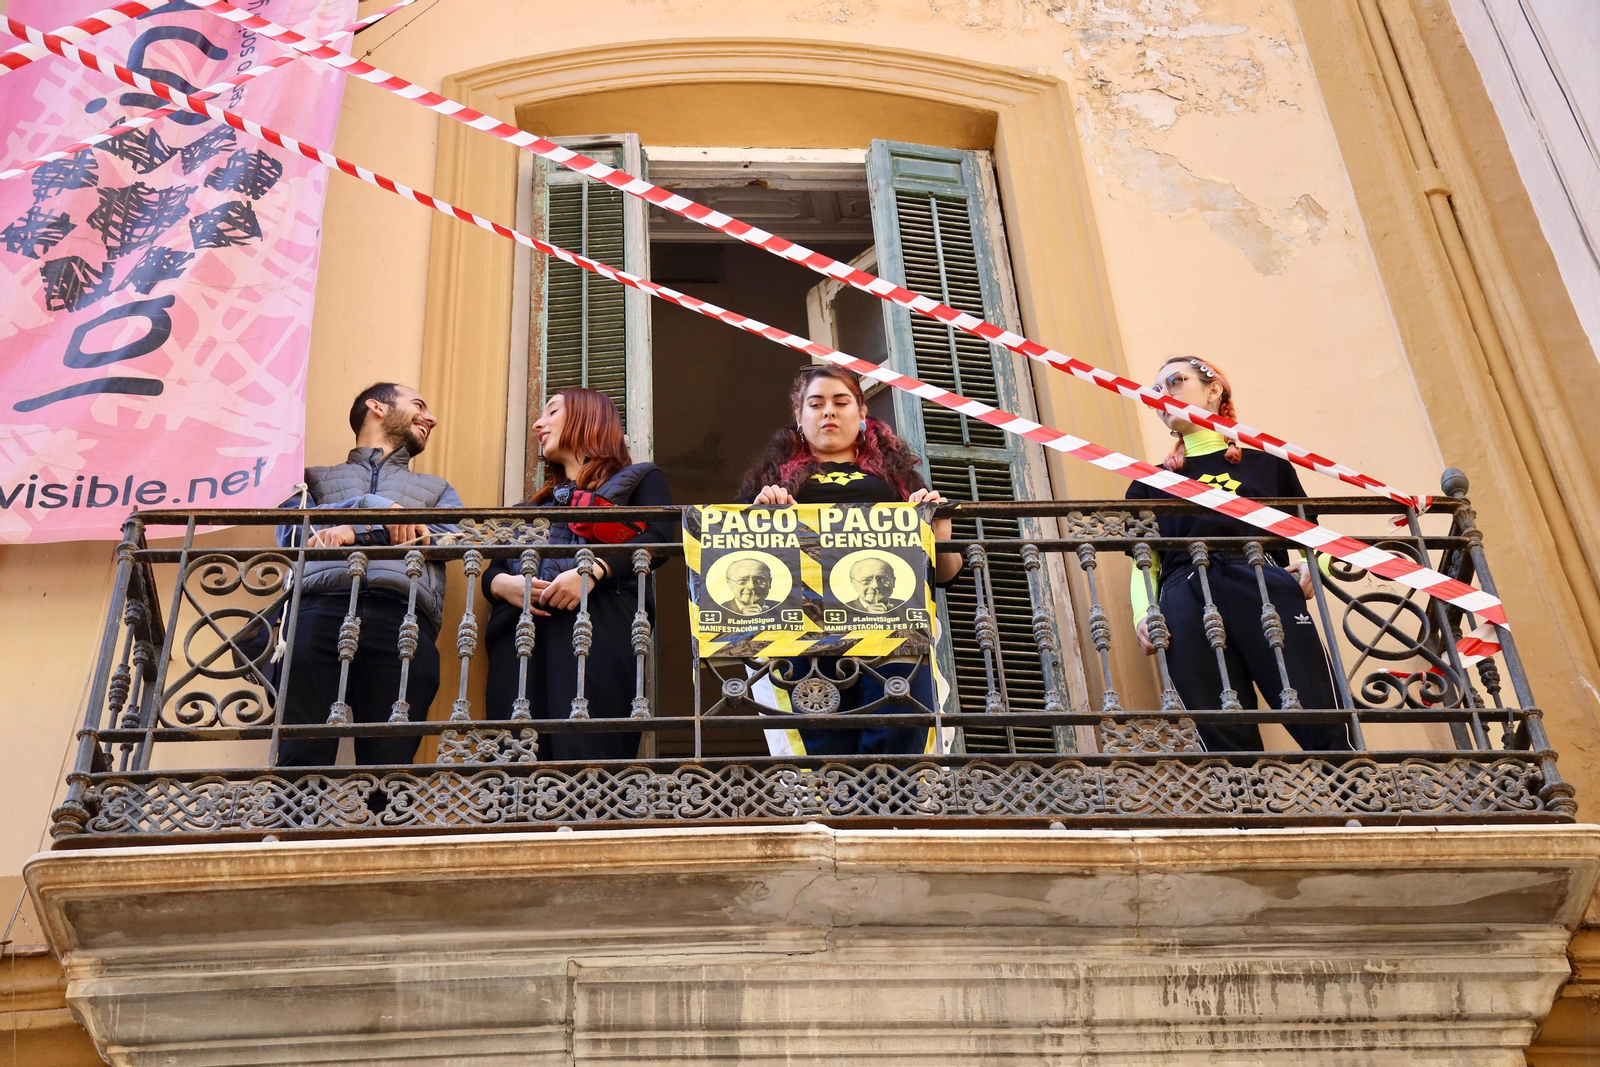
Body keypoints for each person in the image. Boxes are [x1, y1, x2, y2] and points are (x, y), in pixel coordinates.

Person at [1125, 356, 1351, 753]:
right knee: (1224, 740)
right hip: (1183, 595)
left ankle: (1352, 789)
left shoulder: (1267, 465)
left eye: (1174, 382)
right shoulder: (1149, 483)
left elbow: (1309, 533)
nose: (1161, 396)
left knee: (1317, 711)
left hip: (1259, 577)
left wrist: (1314, 565)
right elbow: (1146, 560)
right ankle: (1243, 798)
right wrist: (1143, 612)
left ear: (1214, 390)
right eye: (1154, 391)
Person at [737, 366, 962, 756]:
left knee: (902, 726)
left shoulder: (901, 482)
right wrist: (760, 522)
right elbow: (738, 567)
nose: (828, 411)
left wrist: (939, 533)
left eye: (840, 402)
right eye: (816, 404)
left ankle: (893, 800)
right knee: (820, 752)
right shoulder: (767, 484)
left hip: (889, 630)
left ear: (861, 413)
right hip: (799, 635)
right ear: (799, 417)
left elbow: (945, 575)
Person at [274, 382, 463, 768]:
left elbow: (453, 538)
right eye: (419, 405)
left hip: (404, 617)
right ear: (377, 407)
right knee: (300, 759)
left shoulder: (437, 489)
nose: (431, 418)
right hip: (316, 610)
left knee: (390, 768)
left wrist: (356, 531)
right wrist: (372, 507)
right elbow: (292, 534)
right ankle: (289, 812)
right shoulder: (311, 478)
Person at [481, 387, 674, 760]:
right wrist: (506, 585)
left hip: (599, 624)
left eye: (552, 411)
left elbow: (662, 538)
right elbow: (492, 572)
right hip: (521, 635)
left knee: (588, 751)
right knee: (514, 757)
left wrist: (592, 571)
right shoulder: (529, 508)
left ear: (588, 417)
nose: (538, 424)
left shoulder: (640, 479)